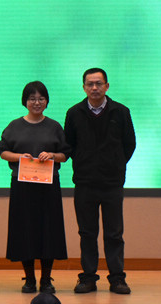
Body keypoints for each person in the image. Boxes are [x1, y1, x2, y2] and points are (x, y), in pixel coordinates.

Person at [64, 68, 136, 295]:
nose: (94, 88)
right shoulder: (74, 113)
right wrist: (85, 163)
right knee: (87, 233)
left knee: (114, 233)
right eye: (90, 84)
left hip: (112, 183)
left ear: (107, 86)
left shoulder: (121, 112)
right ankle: (88, 278)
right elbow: (69, 145)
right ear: (84, 87)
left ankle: (117, 278)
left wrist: (115, 164)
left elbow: (129, 144)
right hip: (84, 182)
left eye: (98, 83)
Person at [0, 81, 70, 294]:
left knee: (49, 231)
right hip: (22, 186)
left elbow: (65, 154)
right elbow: (3, 152)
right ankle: (29, 279)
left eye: (41, 98)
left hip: (48, 186)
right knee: (25, 231)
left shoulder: (54, 126)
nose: (36, 102)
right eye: (32, 99)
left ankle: (46, 280)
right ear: (25, 101)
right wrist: (19, 157)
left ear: (47, 101)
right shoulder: (14, 126)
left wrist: (53, 155)